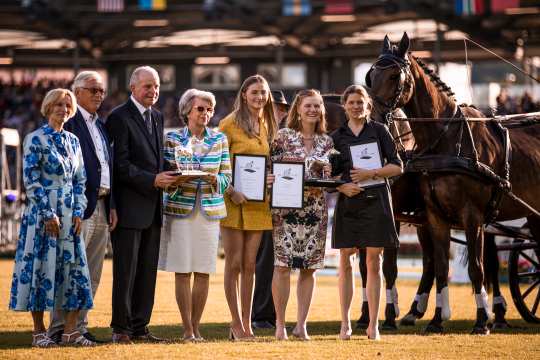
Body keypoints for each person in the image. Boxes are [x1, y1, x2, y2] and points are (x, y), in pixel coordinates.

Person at [9, 88, 94, 347]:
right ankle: (38, 332)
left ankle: (70, 332)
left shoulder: (73, 141)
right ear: (47, 107)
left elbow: (81, 180)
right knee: (39, 271)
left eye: (67, 105)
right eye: (58, 104)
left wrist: (79, 210)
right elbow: (31, 181)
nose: (63, 109)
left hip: (70, 215)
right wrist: (48, 213)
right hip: (42, 215)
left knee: (74, 271)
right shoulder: (35, 139)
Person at [105, 66, 177, 343]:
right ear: (132, 87)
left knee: (147, 272)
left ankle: (140, 327)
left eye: (156, 86)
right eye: (147, 86)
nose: (153, 91)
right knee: (126, 272)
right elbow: (120, 166)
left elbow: (154, 160)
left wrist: (175, 170)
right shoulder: (119, 117)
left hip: (153, 209)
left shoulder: (157, 117)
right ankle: (121, 329)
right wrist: (153, 180)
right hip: (128, 208)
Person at [46, 71, 117, 344]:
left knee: (92, 273)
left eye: (102, 91)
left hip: (101, 204)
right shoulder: (69, 122)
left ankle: (80, 327)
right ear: (77, 92)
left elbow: (107, 168)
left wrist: (112, 204)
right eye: (93, 90)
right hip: (78, 208)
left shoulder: (100, 125)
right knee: (70, 269)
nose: (99, 94)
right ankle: (59, 327)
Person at [158, 89, 232, 342]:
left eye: (209, 109)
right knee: (182, 271)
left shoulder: (220, 139)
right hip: (180, 210)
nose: (206, 113)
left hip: (209, 212)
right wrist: (180, 180)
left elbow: (227, 176)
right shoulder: (172, 139)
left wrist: (215, 180)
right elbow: (167, 175)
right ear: (187, 111)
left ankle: (196, 328)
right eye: (200, 108)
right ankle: (186, 328)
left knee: (203, 271)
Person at [331, 85, 402, 341]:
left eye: (360, 102)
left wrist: (371, 173)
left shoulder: (380, 131)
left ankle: (373, 325)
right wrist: (342, 185)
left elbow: (397, 167)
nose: (356, 106)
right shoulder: (336, 136)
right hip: (349, 203)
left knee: (374, 263)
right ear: (345, 105)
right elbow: (330, 174)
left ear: (367, 105)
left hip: (376, 201)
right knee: (345, 262)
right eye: (351, 102)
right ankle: (345, 324)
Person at [270, 89, 333, 340]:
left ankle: (301, 325)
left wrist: (329, 171)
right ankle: (280, 325)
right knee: (283, 267)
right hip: (285, 210)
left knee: (310, 269)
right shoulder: (283, 136)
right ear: (298, 108)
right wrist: (269, 178)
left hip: (315, 210)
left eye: (317, 106)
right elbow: (269, 167)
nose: (312, 110)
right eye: (308, 105)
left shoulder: (326, 142)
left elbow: (328, 178)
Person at [218, 74, 277, 340]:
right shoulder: (228, 124)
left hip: (258, 204)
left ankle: (247, 322)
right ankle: (235, 323)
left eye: (263, 92)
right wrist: (231, 190)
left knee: (251, 265)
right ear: (244, 94)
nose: (259, 97)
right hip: (233, 202)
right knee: (234, 265)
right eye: (254, 92)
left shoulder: (267, 123)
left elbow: (269, 162)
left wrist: (270, 177)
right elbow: (216, 165)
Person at [251, 90, 289, 330]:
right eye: (274, 107)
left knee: (279, 263)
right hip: (261, 205)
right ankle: (261, 313)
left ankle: (273, 312)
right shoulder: (258, 135)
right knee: (264, 261)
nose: (278, 112)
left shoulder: (286, 136)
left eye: (281, 108)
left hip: (284, 205)